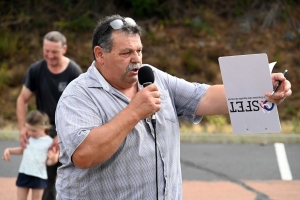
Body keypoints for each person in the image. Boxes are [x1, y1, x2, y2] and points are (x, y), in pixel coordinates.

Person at [55, 15, 292, 200]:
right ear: (100, 54)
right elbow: (84, 155)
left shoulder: (152, 76)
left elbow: (204, 97)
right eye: (126, 53)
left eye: (139, 50)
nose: (136, 59)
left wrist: (260, 87)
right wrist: (134, 112)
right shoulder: (78, 96)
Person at [16, 31, 82, 200]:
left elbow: (80, 108)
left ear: (64, 49)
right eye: (47, 51)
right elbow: (22, 99)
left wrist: (61, 135)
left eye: (55, 52)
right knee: (46, 177)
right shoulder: (36, 69)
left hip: (68, 129)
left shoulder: (74, 72)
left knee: (74, 177)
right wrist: (23, 127)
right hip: (44, 129)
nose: (50, 55)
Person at [2, 110, 59, 200]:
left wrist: (54, 159)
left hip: (39, 177)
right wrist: (9, 150)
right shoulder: (30, 138)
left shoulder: (49, 142)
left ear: (44, 127)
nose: (30, 133)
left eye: (34, 130)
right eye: (28, 129)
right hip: (24, 174)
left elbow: (49, 162)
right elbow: (23, 150)